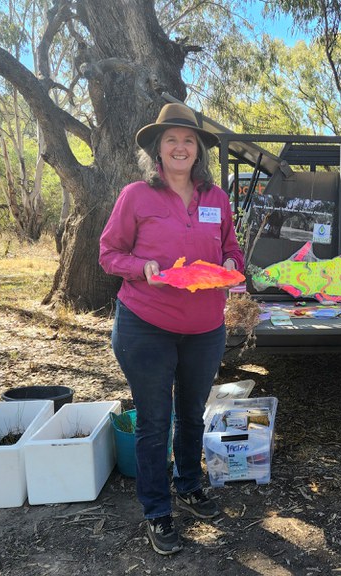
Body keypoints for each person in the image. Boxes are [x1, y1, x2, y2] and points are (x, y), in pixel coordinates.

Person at [99, 102, 244, 555]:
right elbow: (109, 254)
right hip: (146, 324)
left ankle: (189, 485)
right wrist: (143, 267)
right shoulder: (136, 196)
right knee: (155, 419)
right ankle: (157, 512)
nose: (180, 147)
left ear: (198, 150)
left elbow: (233, 253)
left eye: (188, 140)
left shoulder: (216, 199)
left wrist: (230, 266)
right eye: (171, 140)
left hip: (205, 328)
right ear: (157, 151)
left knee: (191, 414)